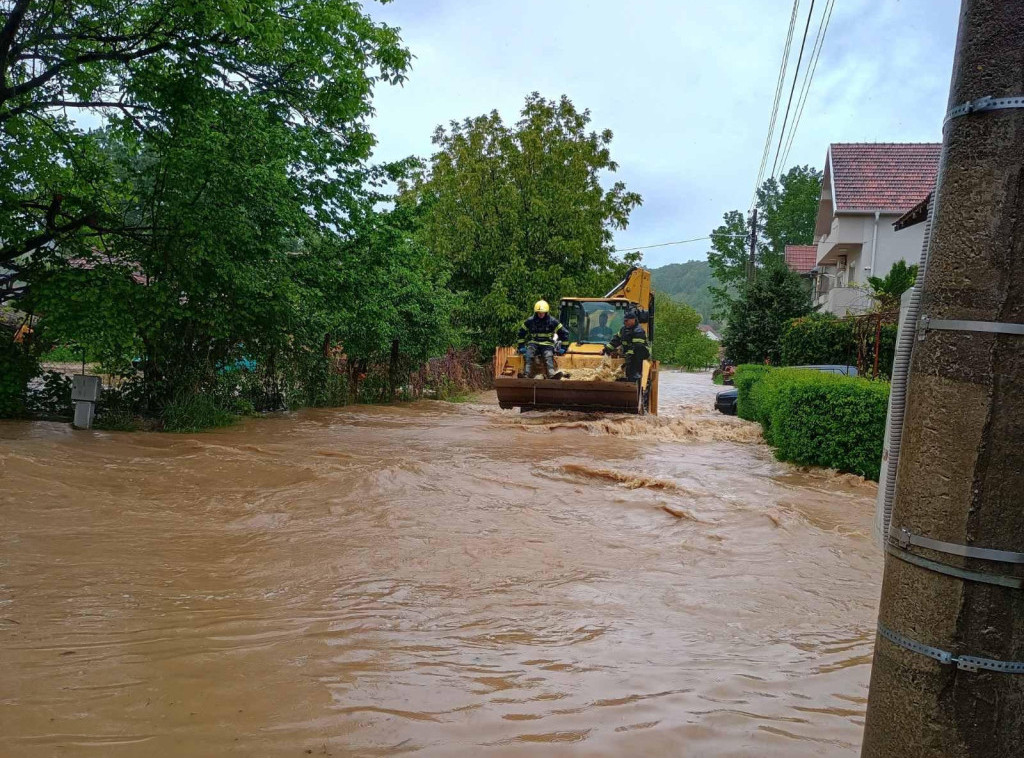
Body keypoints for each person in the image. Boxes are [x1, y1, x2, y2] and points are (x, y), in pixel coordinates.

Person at [517, 300, 569, 379]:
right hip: (534, 343)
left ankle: (552, 375)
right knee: (529, 354)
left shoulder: (553, 321)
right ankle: (526, 375)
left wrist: (563, 348)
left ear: (546, 312)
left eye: (542, 312)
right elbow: (521, 333)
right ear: (536, 312)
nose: (541, 314)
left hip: (547, 344)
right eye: (539, 312)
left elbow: (564, 333)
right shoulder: (530, 321)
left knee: (548, 356)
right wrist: (521, 346)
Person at [603, 308, 649, 382]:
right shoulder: (623, 330)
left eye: (626, 321)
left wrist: (628, 357)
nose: (625, 322)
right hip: (629, 354)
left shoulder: (638, 331)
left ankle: (636, 375)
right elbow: (616, 340)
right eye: (624, 321)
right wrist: (606, 350)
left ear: (633, 320)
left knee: (634, 360)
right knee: (629, 365)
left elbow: (636, 347)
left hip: (640, 355)